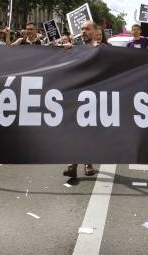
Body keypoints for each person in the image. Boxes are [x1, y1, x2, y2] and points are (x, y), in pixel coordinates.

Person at [62, 20, 98, 179]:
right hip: (76, 95)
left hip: (95, 97)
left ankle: (87, 162)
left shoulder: (102, 49)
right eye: (82, 29)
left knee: (88, 131)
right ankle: (73, 164)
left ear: (95, 32)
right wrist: (67, 50)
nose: (83, 31)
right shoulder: (74, 48)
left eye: (87, 29)